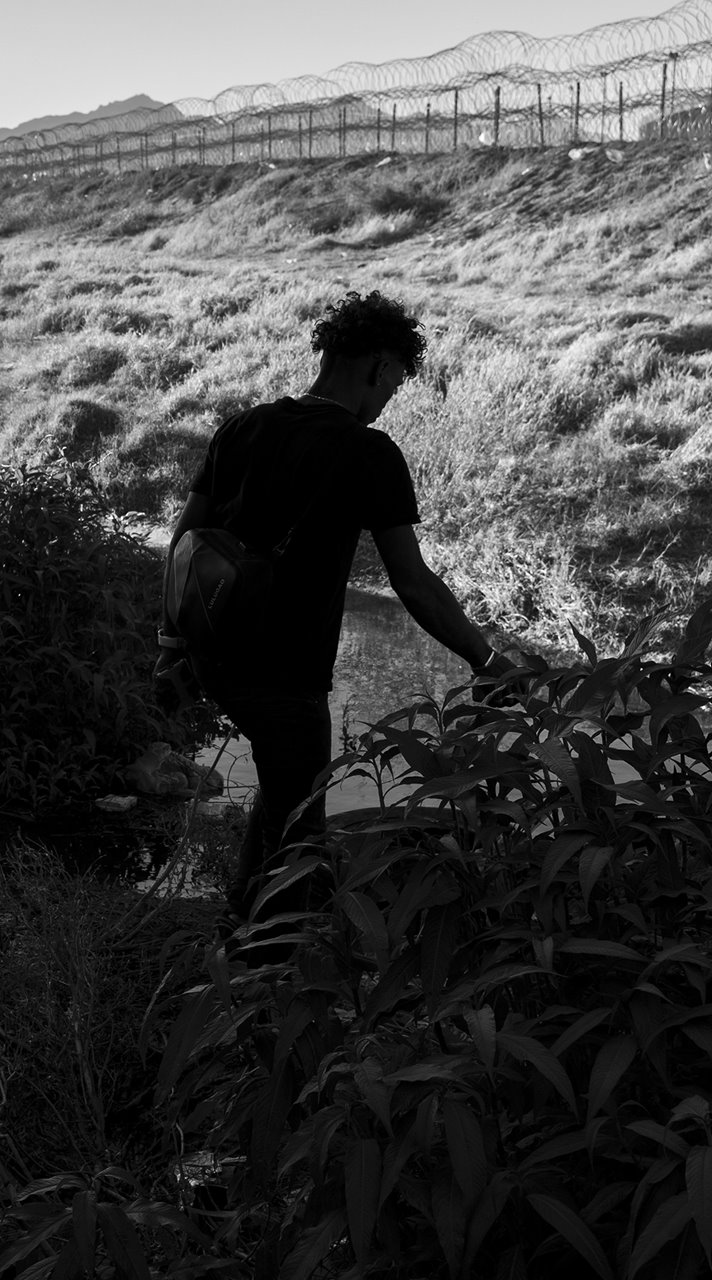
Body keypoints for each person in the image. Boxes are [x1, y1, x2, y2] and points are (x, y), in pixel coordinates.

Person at [168, 290, 501, 927]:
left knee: (283, 789)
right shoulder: (369, 453)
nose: (391, 395)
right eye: (396, 380)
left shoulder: (241, 427)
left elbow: (184, 543)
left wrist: (170, 647)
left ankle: (239, 916)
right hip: (286, 673)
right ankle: (267, 977)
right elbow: (414, 583)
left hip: (216, 654)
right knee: (301, 838)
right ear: (377, 366)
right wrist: (487, 659)